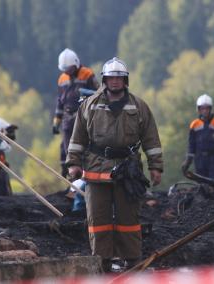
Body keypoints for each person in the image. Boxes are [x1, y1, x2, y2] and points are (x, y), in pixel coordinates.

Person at [66, 57, 163, 272]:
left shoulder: (139, 107)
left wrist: (155, 166)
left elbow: (151, 140)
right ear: (105, 80)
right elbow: (78, 137)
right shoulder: (90, 105)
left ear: (125, 80)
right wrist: (73, 164)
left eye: (119, 78)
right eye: (111, 78)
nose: (115, 82)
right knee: (98, 218)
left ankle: (131, 259)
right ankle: (103, 261)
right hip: (96, 168)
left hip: (128, 170)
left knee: (128, 218)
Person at [52, 48, 99, 177]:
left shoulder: (87, 74)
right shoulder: (62, 79)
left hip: (85, 116)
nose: (68, 71)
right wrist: (56, 121)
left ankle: (87, 177)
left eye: (70, 69)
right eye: (65, 69)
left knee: (86, 148)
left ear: (76, 64)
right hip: (68, 118)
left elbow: (100, 94)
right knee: (68, 149)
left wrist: (87, 94)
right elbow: (60, 101)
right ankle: (73, 180)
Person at [181, 94, 214, 179]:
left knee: (213, 184)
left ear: (210, 109)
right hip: (199, 159)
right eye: (202, 108)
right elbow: (191, 145)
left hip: (213, 159)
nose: (205, 111)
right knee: (202, 184)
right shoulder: (194, 125)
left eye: (207, 108)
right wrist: (187, 162)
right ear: (198, 110)